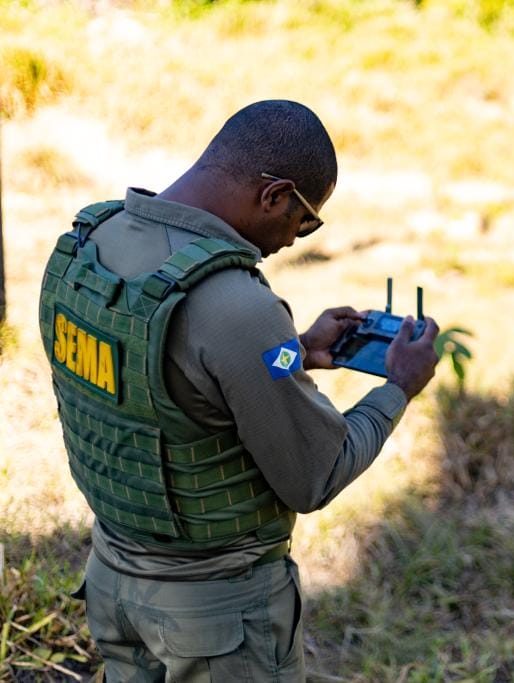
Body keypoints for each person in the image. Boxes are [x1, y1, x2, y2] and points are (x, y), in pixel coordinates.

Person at [38, 100, 440, 681]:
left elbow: (155, 387)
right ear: (274, 194)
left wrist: (293, 350)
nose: (295, 239)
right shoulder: (236, 305)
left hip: (112, 587)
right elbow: (314, 475)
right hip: (216, 620)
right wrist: (398, 387)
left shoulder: (85, 246)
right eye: (304, 219)